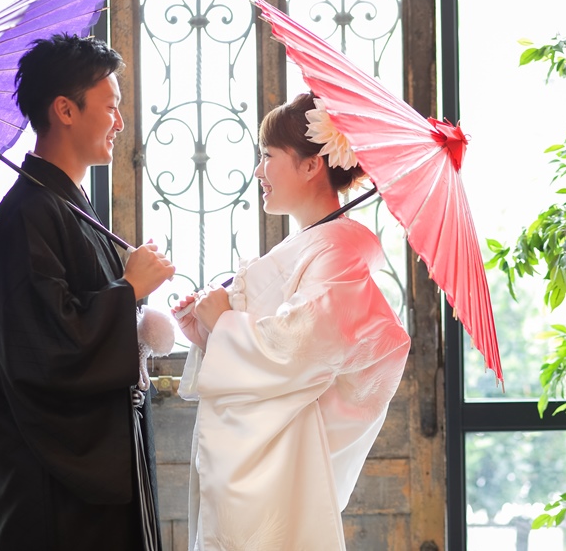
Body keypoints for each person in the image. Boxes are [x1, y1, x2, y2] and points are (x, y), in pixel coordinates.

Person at [173, 91, 411, 550]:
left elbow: (300, 348)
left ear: (310, 166)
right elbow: (274, 343)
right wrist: (206, 334)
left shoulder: (337, 252)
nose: (258, 171)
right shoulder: (310, 244)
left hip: (281, 461)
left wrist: (225, 324)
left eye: (268, 156)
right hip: (259, 455)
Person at [0, 34, 174, 551]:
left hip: (87, 481)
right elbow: (46, 352)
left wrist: (128, 293)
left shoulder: (63, 204)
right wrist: (127, 290)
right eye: (111, 107)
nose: (120, 123)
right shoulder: (27, 216)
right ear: (65, 110)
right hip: (52, 495)